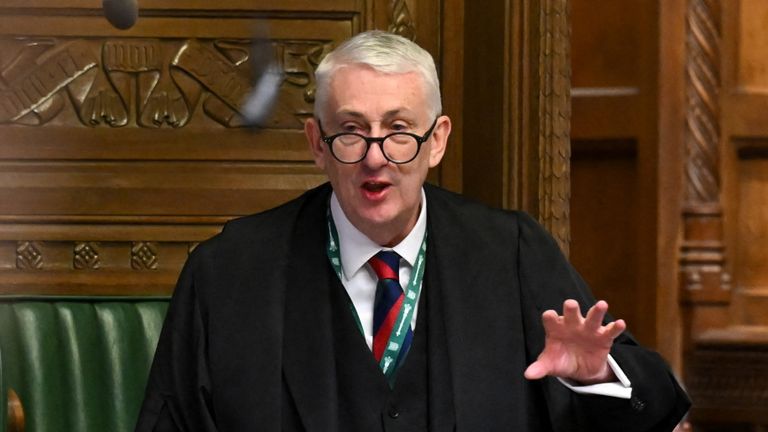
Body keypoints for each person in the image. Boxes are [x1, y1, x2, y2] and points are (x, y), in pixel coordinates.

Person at [135, 30, 690, 431]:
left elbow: (657, 405)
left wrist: (596, 376)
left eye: (400, 131)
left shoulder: (510, 253)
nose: (376, 158)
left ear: (438, 140)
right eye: (351, 132)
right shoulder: (231, 271)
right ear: (315, 144)